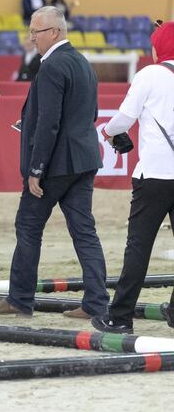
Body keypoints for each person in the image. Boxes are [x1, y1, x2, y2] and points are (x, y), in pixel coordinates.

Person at [0, 6, 108, 319]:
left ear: (53, 32)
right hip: (83, 159)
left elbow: (48, 122)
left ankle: (20, 299)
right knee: (84, 232)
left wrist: (36, 170)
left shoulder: (52, 66)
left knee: (28, 225)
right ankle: (96, 301)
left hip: (55, 165)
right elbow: (90, 114)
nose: (30, 38)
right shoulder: (83, 63)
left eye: (35, 32)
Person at [92, 21, 174, 334]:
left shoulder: (150, 75)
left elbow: (124, 117)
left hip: (154, 174)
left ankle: (120, 315)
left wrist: (110, 132)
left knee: (138, 247)